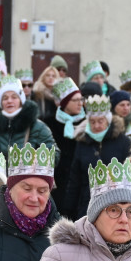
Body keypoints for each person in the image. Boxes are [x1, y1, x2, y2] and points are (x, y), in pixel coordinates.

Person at [64, 95, 131, 219]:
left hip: (116, 202)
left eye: (100, 121)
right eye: (92, 122)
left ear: (108, 120)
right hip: (87, 204)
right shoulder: (82, 143)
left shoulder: (123, 142)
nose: (96, 126)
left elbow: (130, 176)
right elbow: (75, 178)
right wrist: (68, 208)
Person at [42, 77, 84, 216]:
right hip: (57, 184)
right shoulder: (48, 123)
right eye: (75, 100)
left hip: (80, 184)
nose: (80, 103)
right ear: (65, 103)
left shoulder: (87, 123)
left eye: (81, 99)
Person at [0, 74, 55, 156]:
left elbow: (54, 154)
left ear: (21, 100)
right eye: (5, 98)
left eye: (14, 97)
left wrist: (36, 158)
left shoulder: (37, 127)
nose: (9, 101)